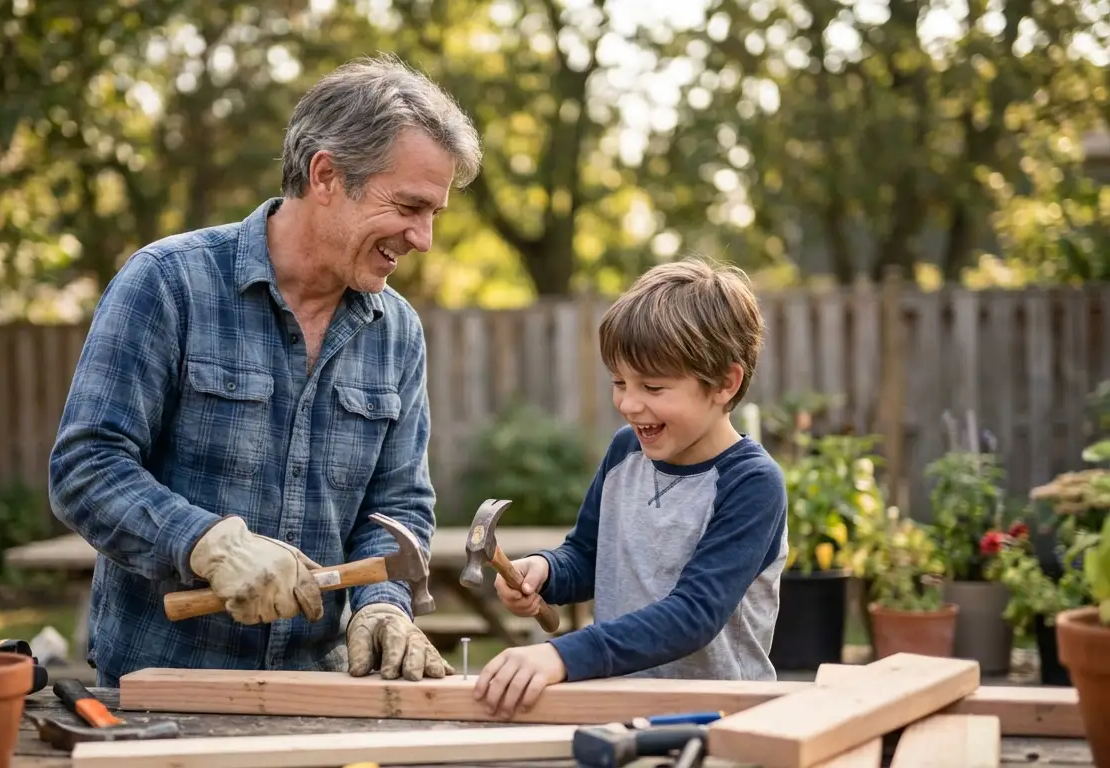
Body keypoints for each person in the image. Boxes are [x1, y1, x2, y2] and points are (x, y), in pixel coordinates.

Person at [48, 54, 482, 687]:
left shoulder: (397, 332)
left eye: (433, 215)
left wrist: (383, 605)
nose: (423, 239)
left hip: (323, 690)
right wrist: (207, 544)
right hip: (160, 690)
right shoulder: (170, 284)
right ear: (327, 175)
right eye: (409, 207)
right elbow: (86, 467)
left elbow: (397, 507)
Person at [472, 257, 789, 719]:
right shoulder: (627, 452)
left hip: (720, 719)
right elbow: (586, 555)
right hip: (620, 708)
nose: (629, 403)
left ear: (725, 383)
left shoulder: (751, 484)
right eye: (619, 382)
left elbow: (692, 616)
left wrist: (561, 655)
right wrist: (545, 570)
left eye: (654, 387)